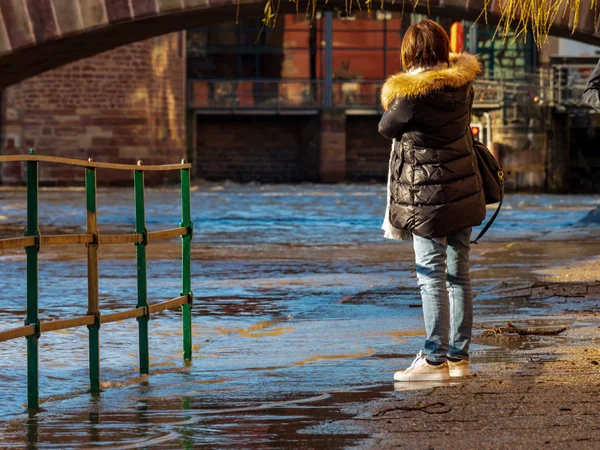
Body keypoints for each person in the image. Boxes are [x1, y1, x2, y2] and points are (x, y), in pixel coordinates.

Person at [378, 19, 486, 382]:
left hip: (425, 198)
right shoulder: (462, 86)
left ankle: (434, 359)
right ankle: (459, 359)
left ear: (410, 53)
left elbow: (385, 127)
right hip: (464, 192)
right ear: (442, 49)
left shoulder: (409, 97)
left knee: (430, 276)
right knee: (459, 276)